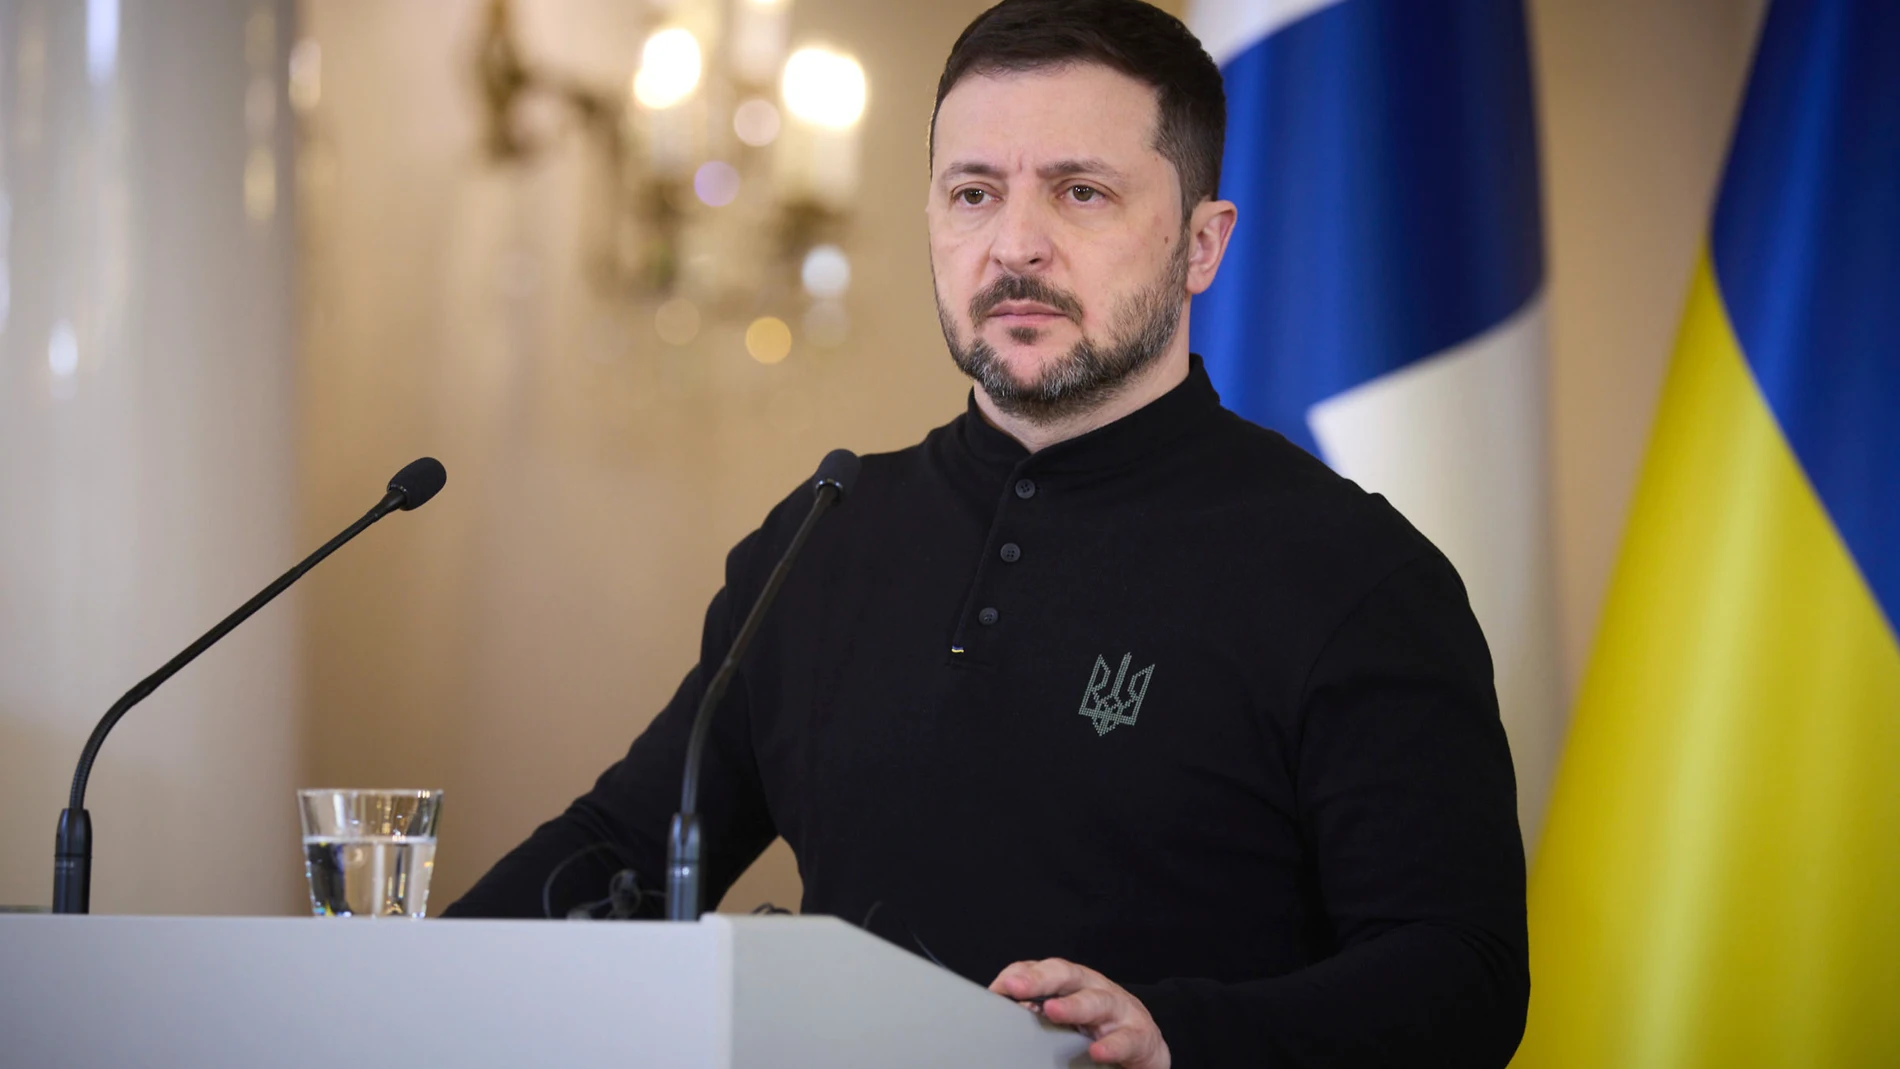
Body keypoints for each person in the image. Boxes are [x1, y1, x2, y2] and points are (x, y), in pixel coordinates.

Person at [444, 1, 1530, 1065]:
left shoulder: (1354, 571)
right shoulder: (823, 535)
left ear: (1202, 244)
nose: (1016, 244)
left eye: (1081, 193)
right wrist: (391, 980)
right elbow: (623, 849)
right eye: (973, 192)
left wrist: (1179, 1034)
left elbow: (1461, 977)